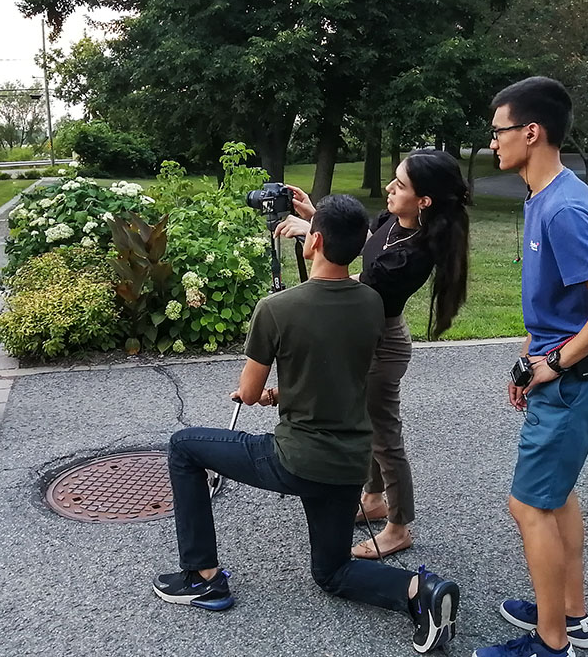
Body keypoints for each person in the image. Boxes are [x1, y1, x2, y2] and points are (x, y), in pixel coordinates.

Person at [153, 195, 460, 654]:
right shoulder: (373, 304)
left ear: (313, 241)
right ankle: (421, 592)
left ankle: (202, 577)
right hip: (349, 464)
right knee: (331, 573)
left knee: (184, 447)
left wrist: (260, 395)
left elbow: (250, 392)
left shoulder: (275, 309)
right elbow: (330, 374)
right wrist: (280, 393)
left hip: (296, 459)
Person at [473, 77, 588, 657]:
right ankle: (570, 615)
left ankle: (552, 642)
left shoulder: (564, 207)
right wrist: (527, 360)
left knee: (529, 505)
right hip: (565, 372)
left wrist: (554, 365)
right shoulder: (545, 195)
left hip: (578, 379)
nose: (492, 143)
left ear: (531, 132)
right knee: (557, 494)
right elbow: (559, 305)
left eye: (498, 131)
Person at [274, 150, 470, 559]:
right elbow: (366, 245)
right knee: (366, 423)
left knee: (384, 436)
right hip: (366, 334)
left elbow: (350, 279)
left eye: (399, 185)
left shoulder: (413, 254)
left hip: (382, 344)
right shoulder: (393, 221)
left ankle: (398, 527)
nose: (389, 188)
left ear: (425, 201)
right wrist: (316, 217)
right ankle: (375, 497)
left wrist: (313, 235)